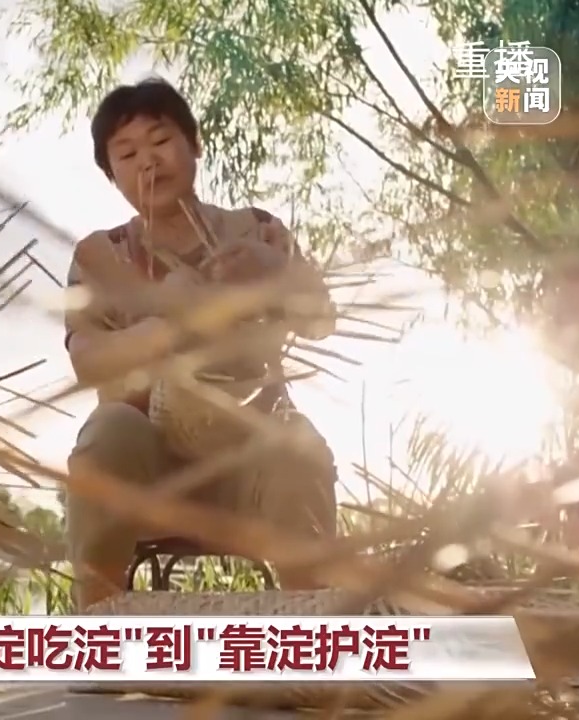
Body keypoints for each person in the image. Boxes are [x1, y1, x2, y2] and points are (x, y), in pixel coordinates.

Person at [62, 78, 339, 609]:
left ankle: (312, 627)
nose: (148, 161)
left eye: (161, 140)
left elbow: (320, 321)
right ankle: (96, 625)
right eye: (127, 154)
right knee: (107, 431)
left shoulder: (255, 232)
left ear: (195, 145)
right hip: (151, 474)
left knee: (297, 446)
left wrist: (277, 273)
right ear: (111, 174)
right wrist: (169, 322)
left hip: (254, 460)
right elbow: (88, 363)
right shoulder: (101, 256)